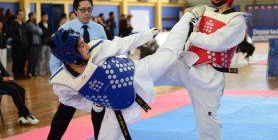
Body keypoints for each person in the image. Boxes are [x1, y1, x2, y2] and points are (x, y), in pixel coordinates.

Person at [48, 9, 199, 140]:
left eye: (83, 42)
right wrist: (95, 103)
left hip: (137, 73)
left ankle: (188, 17)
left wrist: (146, 35)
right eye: (81, 45)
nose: (86, 45)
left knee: (169, 54)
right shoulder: (63, 82)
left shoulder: (95, 49)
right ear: (69, 54)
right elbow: (69, 100)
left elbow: (120, 44)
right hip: (115, 106)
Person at [154, 0, 250, 140]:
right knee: (150, 71)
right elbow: (186, 28)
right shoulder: (204, 10)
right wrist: (188, 17)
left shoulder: (237, 20)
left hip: (209, 76)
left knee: (207, 123)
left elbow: (216, 42)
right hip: (186, 63)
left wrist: (193, 36)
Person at [48, 0, 107, 140]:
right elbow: (54, 60)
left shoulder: (99, 29)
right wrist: (61, 80)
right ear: (75, 11)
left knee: (99, 114)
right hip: (73, 80)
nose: (87, 13)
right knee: (63, 115)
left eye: (90, 9)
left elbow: (106, 51)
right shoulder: (65, 29)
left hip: (95, 79)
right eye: (83, 10)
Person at [0, 60, 39, 124]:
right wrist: (2, 79)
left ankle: (21, 116)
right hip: (1, 80)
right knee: (14, 91)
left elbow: (2, 69)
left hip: (2, 80)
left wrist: (8, 76)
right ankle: (27, 114)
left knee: (21, 90)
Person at [26, 12, 43, 77]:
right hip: (32, 44)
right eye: (34, 15)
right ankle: (29, 72)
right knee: (31, 59)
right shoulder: (29, 24)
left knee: (35, 59)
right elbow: (36, 31)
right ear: (31, 16)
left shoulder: (35, 23)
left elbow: (41, 31)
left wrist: (38, 30)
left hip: (37, 44)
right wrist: (38, 30)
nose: (35, 16)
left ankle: (33, 72)